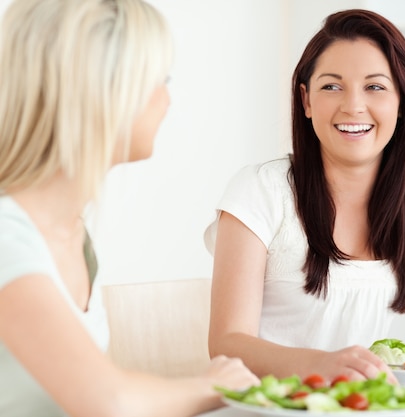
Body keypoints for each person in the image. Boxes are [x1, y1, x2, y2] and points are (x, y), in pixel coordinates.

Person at [205, 9, 405, 382]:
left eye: (375, 86)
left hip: (371, 403)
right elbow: (227, 343)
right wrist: (318, 364)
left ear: (402, 101)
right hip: (275, 403)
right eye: (332, 86)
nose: (353, 106)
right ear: (306, 100)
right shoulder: (260, 191)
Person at [0, 0, 258, 416]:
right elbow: (108, 402)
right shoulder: (8, 237)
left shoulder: (74, 235)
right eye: (159, 80)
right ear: (104, 91)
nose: (166, 100)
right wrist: (211, 385)